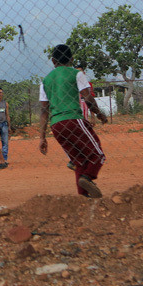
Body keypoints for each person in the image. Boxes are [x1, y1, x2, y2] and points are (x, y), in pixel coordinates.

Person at [38, 44, 109, 198]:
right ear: (71, 59)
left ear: (52, 60)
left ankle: (84, 197)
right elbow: (88, 98)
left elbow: (44, 110)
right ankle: (87, 177)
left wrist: (42, 137)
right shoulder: (76, 74)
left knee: (79, 161)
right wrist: (99, 114)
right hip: (73, 120)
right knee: (97, 155)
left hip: (56, 125)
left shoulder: (45, 81)